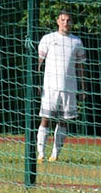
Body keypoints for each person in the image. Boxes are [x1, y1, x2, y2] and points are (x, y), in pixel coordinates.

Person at [36, 10, 86, 162]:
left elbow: (81, 67)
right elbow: (39, 63)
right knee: (45, 119)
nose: (66, 23)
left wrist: (83, 87)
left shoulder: (76, 42)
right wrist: (38, 83)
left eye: (68, 20)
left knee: (63, 121)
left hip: (69, 88)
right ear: (57, 21)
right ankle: (41, 154)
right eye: (63, 20)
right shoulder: (48, 39)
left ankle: (55, 154)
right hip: (50, 87)